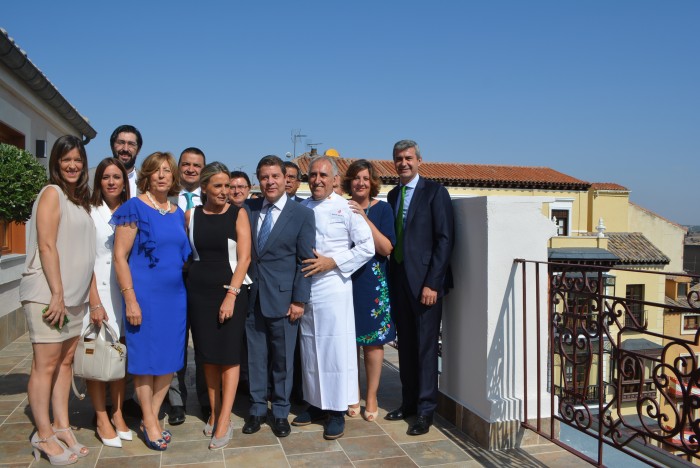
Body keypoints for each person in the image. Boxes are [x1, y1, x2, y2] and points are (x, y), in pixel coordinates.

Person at [20, 135, 96, 465]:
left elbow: (86, 253)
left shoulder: (78, 201)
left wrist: (85, 298)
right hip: (50, 297)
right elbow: (47, 246)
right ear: (56, 162)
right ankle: (44, 435)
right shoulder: (51, 193)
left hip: (73, 299)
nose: (73, 165)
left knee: (65, 364)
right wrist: (57, 294)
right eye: (66, 159)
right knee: (45, 365)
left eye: (78, 159)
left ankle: (62, 426)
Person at [112, 152, 191, 451]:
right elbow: (120, 257)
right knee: (145, 362)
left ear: (173, 178)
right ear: (147, 175)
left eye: (167, 171)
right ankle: (150, 420)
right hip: (143, 296)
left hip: (175, 298)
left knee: (169, 362)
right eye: (156, 171)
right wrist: (130, 299)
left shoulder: (175, 211)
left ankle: (150, 417)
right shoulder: (133, 208)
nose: (162, 176)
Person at [294, 156, 374, 440]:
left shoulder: (346, 207)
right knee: (310, 348)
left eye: (323, 175)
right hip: (307, 286)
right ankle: (316, 404)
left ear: (334, 180)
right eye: (313, 175)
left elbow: (367, 247)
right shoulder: (301, 207)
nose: (317, 180)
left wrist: (333, 262)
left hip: (335, 285)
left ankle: (337, 410)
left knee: (335, 350)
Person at [385, 140, 454, 436]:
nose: (403, 163)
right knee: (406, 347)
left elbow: (445, 240)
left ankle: (426, 411)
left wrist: (432, 283)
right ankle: (409, 402)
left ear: (419, 161)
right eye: (399, 159)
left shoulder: (435, 193)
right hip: (399, 280)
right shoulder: (392, 195)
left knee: (426, 349)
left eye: (408, 158)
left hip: (426, 285)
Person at [242, 156, 315, 438]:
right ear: (258, 180)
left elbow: (305, 261)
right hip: (252, 298)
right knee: (256, 358)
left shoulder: (302, 215)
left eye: (274, 176)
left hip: (285, 302)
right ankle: (258, 408)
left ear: (286, 179)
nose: (269, 182)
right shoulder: (248, 209)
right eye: (264, 177)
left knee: (283, 360)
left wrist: (299, 300)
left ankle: (281, 411)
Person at [185, 162, 252, 449]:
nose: (225, 191)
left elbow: (245, 258)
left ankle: (225, 418)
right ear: (204, 188)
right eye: (218, 186)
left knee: (229, 357)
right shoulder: (191, 215)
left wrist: (231, 295)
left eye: (227, 186)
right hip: (198, 292)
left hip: (230, 290)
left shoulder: (238, 214)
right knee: (207, 357)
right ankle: (213, 412)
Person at [82, 158, 132, 448]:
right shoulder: (89, 212)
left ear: (125, 182)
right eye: (106, 177)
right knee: (98, 356)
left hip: (125, 293)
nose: (112, 182)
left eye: (117, 177)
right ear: (98, 181)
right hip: (99, 293)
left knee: (119, 357)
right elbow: (85, 260)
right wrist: (94, 301)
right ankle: (101, 416)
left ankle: (119, 413)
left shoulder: (131, 211)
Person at [342, 160, 396, 422]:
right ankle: (352, 393)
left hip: (373, 284)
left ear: (372, 182)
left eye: (365, 178)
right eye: (355, 178)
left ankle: (371, 395)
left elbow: (386, 249)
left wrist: (364, 218)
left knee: (373, 344)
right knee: (348, 342)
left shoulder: (383, 209)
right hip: (344, 283)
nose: (360, 183)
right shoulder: (340, 207)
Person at [167, 146, 209, 426]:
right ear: (178, 167)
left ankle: (206, 400)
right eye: (186, 164)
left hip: (204, 280)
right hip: (173, 281)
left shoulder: (214, 199)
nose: (191, 169)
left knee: (205, 343)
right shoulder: (166, 199)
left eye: (197, 165)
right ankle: (176, 401)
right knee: (175, 343)